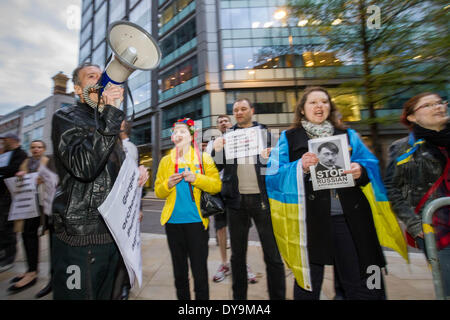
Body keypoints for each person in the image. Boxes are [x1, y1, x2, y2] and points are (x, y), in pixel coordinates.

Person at [265, 87, 406, 300]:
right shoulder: (289, 137)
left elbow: (371, 164)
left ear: (330, 107)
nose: (319, 106)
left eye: (324, 101)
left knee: (362, 276)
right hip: (309, 221)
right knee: (307, 283)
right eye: (313, 102)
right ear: (302, 109)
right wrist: (300, 167)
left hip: (349, 218)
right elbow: (274, 175)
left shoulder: (348, 135)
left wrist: (361, 170)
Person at [51, 62, 149, 299]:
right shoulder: (65, 117)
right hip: (81, 238)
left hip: (113, 236)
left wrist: (133, 180)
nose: (100, 80)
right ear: (77, 89)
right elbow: (84, 167)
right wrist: (112, 114)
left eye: (102, 76)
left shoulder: (108, 123)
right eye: (91, 76)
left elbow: (109, 174)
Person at [212, 99, 286, 300]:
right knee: (237, 256)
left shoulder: (265, 134)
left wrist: (273, 156)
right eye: (235, 110)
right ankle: (239, 299)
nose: (239, 112)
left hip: (263, 201)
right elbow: (216, 167)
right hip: (236, 203)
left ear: (252, 110)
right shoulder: (227, 136)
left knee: (273, 256)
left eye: (243, 108)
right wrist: (217, 150)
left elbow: (281, 164)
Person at [384, 92, 450, 297]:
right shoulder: (403, 147)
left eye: (440, 103)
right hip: (437, 227)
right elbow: (392, 188)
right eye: (428, 105)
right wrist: (413, 224)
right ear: (412, 117)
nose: (438, 107)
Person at [155, 118, 221, 300]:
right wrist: (167, 184)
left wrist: (196, 178)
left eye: (182, 131)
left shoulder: (203, 158)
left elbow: (216, 185)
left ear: (192, 135)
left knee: (200, 274)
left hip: (197, 224)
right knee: (179, 274)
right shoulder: (166, 161)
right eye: (175, 131)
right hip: (172, 224)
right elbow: (158, 191)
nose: (178, 134)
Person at [206, 115, 258, 284]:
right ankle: (224, 263)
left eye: (226, 121)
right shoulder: (211, 144)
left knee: (242, 229)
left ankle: (242, 264)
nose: (223, 123)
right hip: (218, 192)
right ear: (217, 126)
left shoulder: (242, 138)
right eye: (220, 121)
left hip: (238, 191)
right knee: (221, 229)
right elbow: (209, 166)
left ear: (231, 124)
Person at [7, 140, 48, 293]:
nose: (36, 149)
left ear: (43, 149)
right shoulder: (25, 163)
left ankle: (32, 273)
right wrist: (20, 176)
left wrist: (42, 179)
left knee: (31, 235)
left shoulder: (47, 162)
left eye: (39, 147)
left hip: (39, 204)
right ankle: (30, 269)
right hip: (25, 205)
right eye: (33, 147)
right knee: (25, 235)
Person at [0, 133, 27, 272]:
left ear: (12, 140)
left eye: (5, 141)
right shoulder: (5, 154)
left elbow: (14, 169)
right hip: (3, 195)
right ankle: (3, 253)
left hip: (11, 196)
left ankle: (9, 257)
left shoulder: (20, 154)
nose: (3, 143)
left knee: (8, 226)